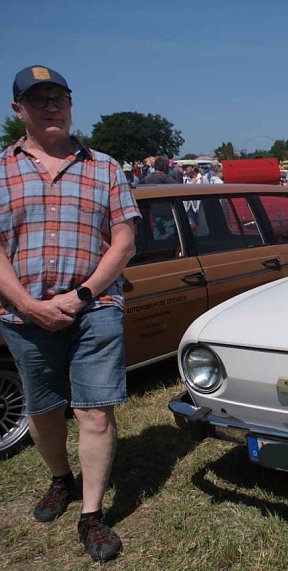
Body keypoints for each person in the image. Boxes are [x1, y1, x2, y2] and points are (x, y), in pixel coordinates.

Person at [0, 65, 140, 562]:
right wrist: (27, 304)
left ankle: (92, 514)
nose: (52, 106)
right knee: (43, 412)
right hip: (23, 313)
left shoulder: (104, 167)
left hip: (95, 307)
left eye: (60, 97)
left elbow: (123, 240)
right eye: (40, 100)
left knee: (94, 411)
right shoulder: (1, 170)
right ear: (19, 110)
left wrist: (81, 295)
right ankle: (61, 479)